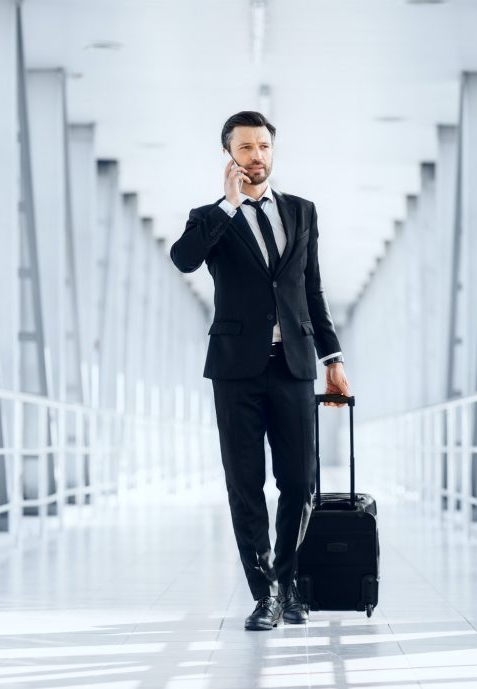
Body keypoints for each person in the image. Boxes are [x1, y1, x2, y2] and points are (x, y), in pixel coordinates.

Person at [169, 111, 351, 631]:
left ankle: (290, 583)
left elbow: (312, 290)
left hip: (293, 365)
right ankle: (264, 591)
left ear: (273, 150)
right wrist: (227, 207)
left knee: (299, 480)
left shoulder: (301, 211)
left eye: (263, 146)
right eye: (245, 148)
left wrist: (332, 359)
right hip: (235, 370)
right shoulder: (210, 217)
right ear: (229, 155)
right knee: (245, 482)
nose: (256, 156)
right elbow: (184, 260)